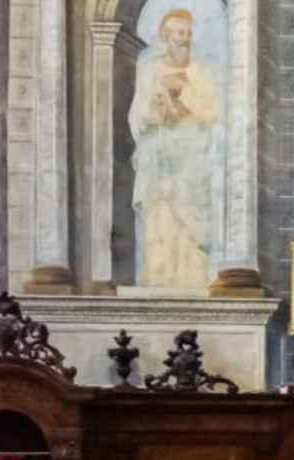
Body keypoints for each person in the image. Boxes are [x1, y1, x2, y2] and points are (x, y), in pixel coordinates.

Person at [129, 9, 221, 289]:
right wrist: (155, 111)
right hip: (158, 155)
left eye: (187, 34)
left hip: (190, 156)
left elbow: (211, 111)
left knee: (189, 221)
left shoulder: (200, 72)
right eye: (178, 34)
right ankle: (159, 277)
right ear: (164, 37)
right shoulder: (150, 70)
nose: (183, 40)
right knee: (160, 215)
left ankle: (191, 279)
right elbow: (137, 113)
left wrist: (184, 100)